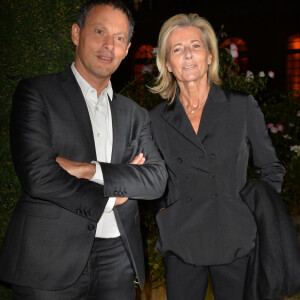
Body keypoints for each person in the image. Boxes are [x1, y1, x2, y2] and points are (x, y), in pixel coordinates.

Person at [0, 1, 168, 299]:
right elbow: (39, 176)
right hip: (49, 258)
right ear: (77, 33)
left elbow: (155, 179)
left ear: (127, 49)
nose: (108, 45)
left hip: (118, 259)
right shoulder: (36, 93)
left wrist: (90, 169)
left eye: (118, 38)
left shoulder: (135, 114)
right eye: (99, 31)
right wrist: (111, 196)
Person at [149, 13, 285, 300]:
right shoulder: (156, 119)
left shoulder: (240, 106)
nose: (187, 55)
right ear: (168, 64)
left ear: (210, 56)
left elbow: (271, 167)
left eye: (195, 46)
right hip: (181, 238)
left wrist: (250, 213)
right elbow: (154, 176)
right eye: (177, 49)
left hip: (234, 236)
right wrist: (164, 213)